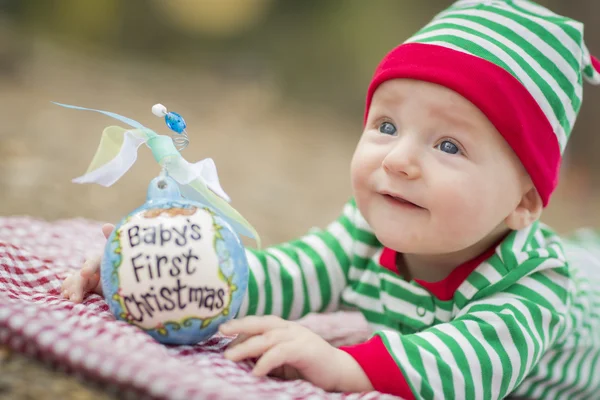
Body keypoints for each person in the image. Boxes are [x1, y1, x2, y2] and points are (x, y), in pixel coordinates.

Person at [61, 1, 600, 398]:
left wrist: (347, 366)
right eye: (387, 125)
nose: (398, 160)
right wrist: (173, 271)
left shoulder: (533, 283)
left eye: (449, 145)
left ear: (524, 203)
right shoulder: (364, 235)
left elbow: (470, 365)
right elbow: (293, 273)